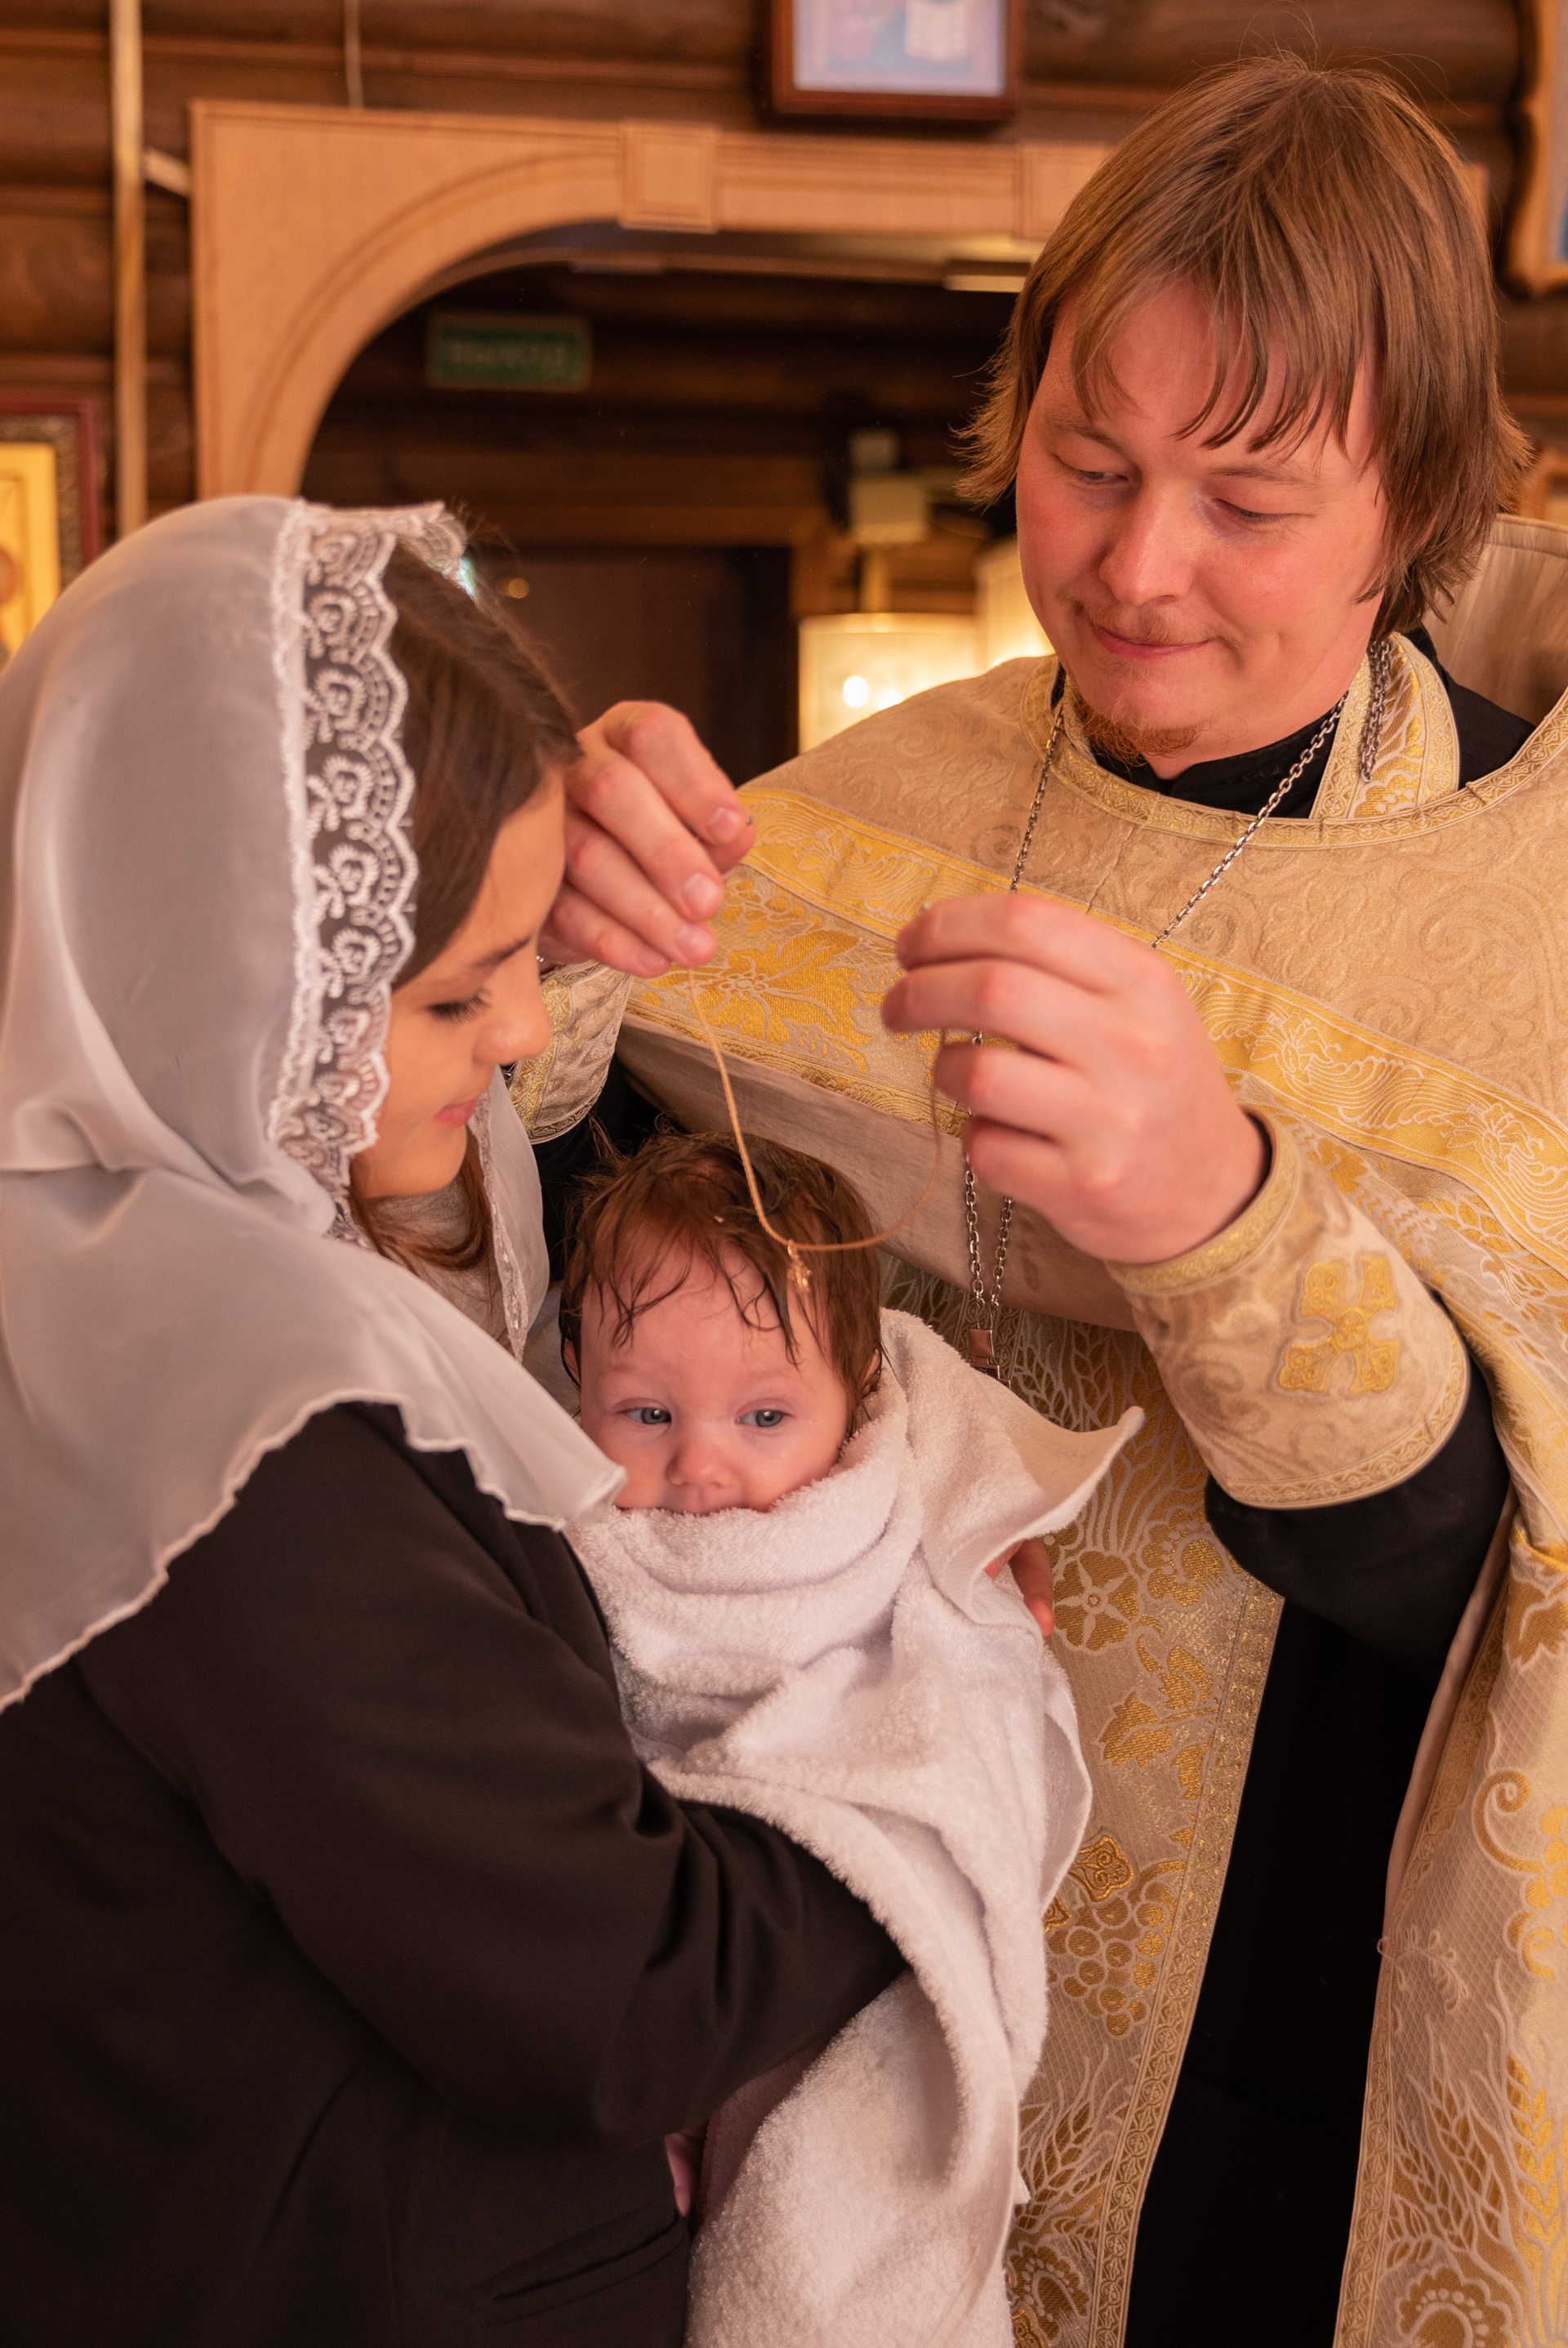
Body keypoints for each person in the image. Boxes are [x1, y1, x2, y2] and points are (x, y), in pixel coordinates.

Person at [513, 56, 1568, 2348]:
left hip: (1276, 2048)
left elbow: (1496, 1597)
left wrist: (1227, 1210)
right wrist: (545, 956)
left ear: (1413, 501)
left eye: (1246, 499)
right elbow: (576, 1272)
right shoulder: (882, 796)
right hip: (806, 1950)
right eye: (1088, 463)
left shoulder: (1536, 898)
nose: (1134, 564)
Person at [0, 496, 909, 2347]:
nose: (514, 1037)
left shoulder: (80, 1257)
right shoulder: (232, 1416)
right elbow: (624, 1996)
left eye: (524, 964)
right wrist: (935, 1755)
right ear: (231, 974)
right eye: (453, 990)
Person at [560, 1131, 1136, 2347]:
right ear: (575, 1381)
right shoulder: (570, 1524)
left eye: (765, 1415)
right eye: (646, 1412)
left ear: (860, 1397)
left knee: (837, 2219)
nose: (702, 1463)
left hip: (833, 1955)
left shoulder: (884, 1508)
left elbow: (965, 1708)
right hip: (653, 1941)